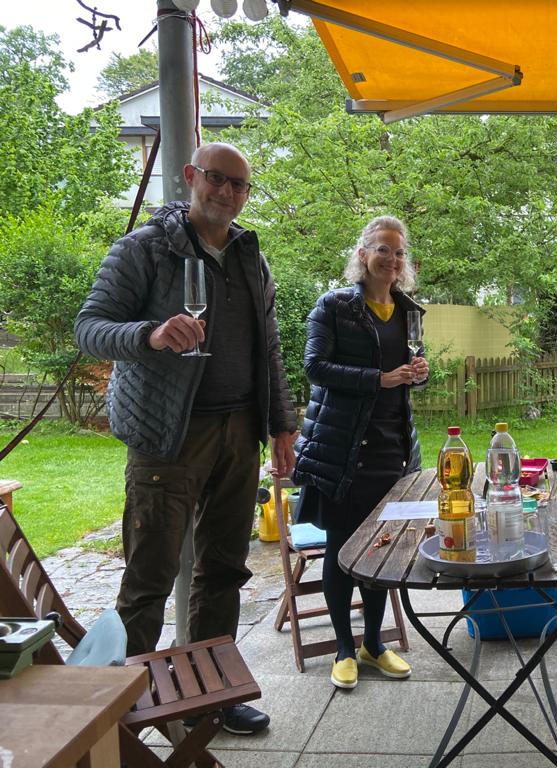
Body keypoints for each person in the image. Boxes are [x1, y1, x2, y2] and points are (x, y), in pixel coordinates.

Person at [74, 142, 296, 735]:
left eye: (238, 185)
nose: (226, 193)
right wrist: (149, 333)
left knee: (224, 570)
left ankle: (211, 697)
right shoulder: (144, 249)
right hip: (166, 437)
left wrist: (281, 423)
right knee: (149, 578)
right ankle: (126, 710)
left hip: (239, 432)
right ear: (191, 177)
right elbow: (89, 328)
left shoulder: (250, 254)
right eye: (217, 180)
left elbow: (267, 345)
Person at [291, 215, 427, 690]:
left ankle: (374, 642)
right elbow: (314, 367)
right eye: (383, 249)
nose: (392, 260)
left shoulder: (410, 311)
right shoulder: (333, 307)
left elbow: (410, 369)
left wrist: (418, 372)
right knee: (343, 548)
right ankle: (344, 649)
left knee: (381, 549)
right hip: (343, 448)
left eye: (400, 252)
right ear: (363, 254)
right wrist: (379, 379)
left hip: (393, 446)